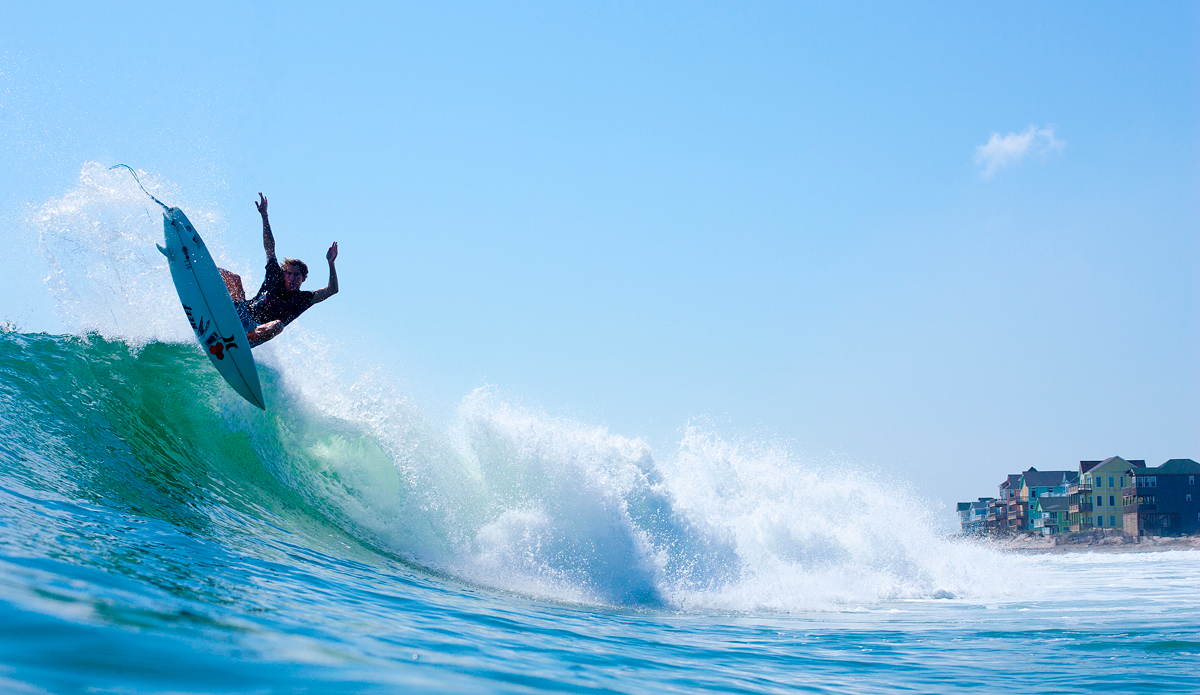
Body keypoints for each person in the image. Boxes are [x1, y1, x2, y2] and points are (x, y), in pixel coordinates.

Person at [218, 193, 338, 346]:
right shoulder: (274, 276)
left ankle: (242, 339)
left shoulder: (304, 299)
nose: (292, 278)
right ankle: (199, 269)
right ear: (283, 274)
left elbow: (332, 290)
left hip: (255, 332)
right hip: (242, 314)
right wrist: (264, 216)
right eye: (288, 274)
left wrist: (331, 263)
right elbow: (269, 247)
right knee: (234, 279)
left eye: (296, 275)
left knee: (278, 325)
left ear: (303, 278)